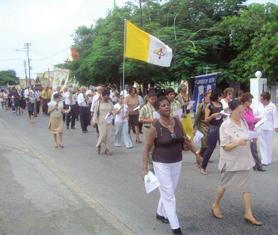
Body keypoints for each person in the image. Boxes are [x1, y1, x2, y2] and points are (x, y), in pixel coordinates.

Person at [142, 96, 202, 235]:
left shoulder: (176, 121)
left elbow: (185, 139)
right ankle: (176, 228)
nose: (167, 107)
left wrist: (196, 153)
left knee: (169, 191)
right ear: (158, 109)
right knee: (169, 194)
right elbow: (146, 148)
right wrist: (144, 169)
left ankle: (159, 212)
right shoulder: (155, 127)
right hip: (161, 163)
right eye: (163, 105)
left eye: (167, 104)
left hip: (177, 161)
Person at [211, 100, 262, 226]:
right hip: (231, 162)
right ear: (232, 111)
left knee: (247, 188)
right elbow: (225, 146)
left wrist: (252, 137)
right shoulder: (225, 126)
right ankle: (215, 204)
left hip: (245, 160)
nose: (242, 113)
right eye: (240, 111)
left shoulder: (243, 121)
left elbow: (246, 135)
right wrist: (238, 142)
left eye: (243, 111)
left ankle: (248, 213)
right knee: (223, 186)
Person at [200, 90, 223, 175]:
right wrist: (213, 115)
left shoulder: (221, 104)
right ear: (216, 96)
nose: (221, 98)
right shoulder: (209, 106)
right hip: (213, 128)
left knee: (223, 147)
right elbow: (206, 120)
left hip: (221, 127)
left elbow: (222, 114)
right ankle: (203, 167)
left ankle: (223, 167)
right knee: (210, 148)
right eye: (220, 96)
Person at [241, 92, 265, 172]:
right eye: (250, 101)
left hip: (251, 130)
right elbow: (248, 120)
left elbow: (251, 118)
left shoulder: (249, 108)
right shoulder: (242, 109)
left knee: (253, 149)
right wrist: (256, 119)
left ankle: (256, 165)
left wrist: (256, 120)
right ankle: (256, 165)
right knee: (250, 149)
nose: (251, 102)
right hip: (246, 131)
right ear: (245, 101)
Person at [257, 92, 278, 165]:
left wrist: (276, 127)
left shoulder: (272, 106)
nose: (260, 100)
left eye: (262, 99)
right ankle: (264, 160)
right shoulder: (259, 105)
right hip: (261, 127)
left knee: (268, 144)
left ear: (266, 100)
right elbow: (255, 114)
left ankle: (268, 159)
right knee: (262, 144)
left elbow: (275, 117)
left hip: (269, 128)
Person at [92, 89, 114, 155]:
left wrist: (112, 113)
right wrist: (94, 121)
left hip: (109, 121)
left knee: (109, 136)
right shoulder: (98, 103)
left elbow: (113, 110)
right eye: (105, 95)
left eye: (108, 95)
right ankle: (98, 145)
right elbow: (95, 113)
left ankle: (107, 149)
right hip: (101, 121)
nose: (107, 97)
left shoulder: (110, 102)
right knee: (103, 135)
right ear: (102, 96)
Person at [193, 90, 211, 157]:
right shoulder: (201, 105)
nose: (209, 98)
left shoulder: (211, 105)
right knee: (204, 143)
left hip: (209, 126)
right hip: (202, 125)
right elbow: (197, 116)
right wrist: (194, 126)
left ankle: (203, 155)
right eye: (208, 96)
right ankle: (200, 155)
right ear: (205, 97)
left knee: (208, 143)